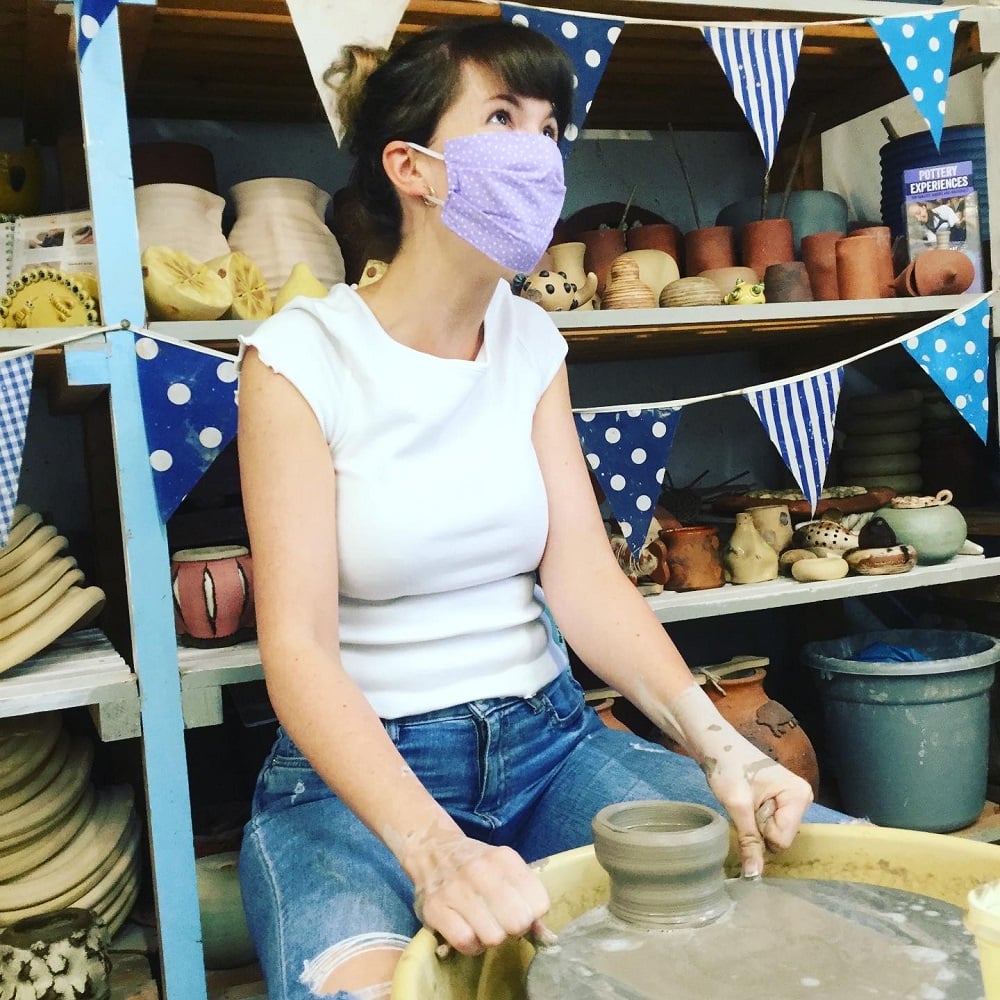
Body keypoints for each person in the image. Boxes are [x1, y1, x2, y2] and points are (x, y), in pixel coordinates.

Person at [236, 21, 845, 1000]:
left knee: (809, 893)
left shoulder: (528, 339)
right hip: (355, 783)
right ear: (413, 166)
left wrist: (721, 744)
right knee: (360, 988)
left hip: (551, 741)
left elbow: (585, 582)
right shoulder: (298, 356)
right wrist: (435, 852)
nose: (539, 150)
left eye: (550, 126)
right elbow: (297, 645)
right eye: (503, 118)